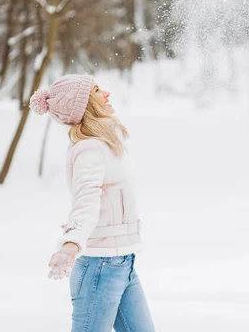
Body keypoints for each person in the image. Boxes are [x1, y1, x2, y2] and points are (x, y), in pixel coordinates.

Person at [30, 74, 156, 332]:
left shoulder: (105, 144)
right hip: (100, 267)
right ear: (86, 105)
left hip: (123, 262)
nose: (106, 93)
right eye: (97, 90)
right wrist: (70, 243)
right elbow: (85, 201)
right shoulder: (89, 150)